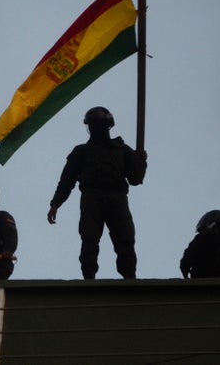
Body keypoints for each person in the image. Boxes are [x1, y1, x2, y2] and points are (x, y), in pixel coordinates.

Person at [47, 107, 147, 280]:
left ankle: (129, 278)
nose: (95, 128)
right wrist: (56, 203)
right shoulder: (81, 152)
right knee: (90, 239)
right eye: (93, 124)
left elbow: (136, 179)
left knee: (124, 238)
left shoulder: (122, 150)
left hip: (116, 197)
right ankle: (89, 277)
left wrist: (141, 162)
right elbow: (67, 181)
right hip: (92, 197)